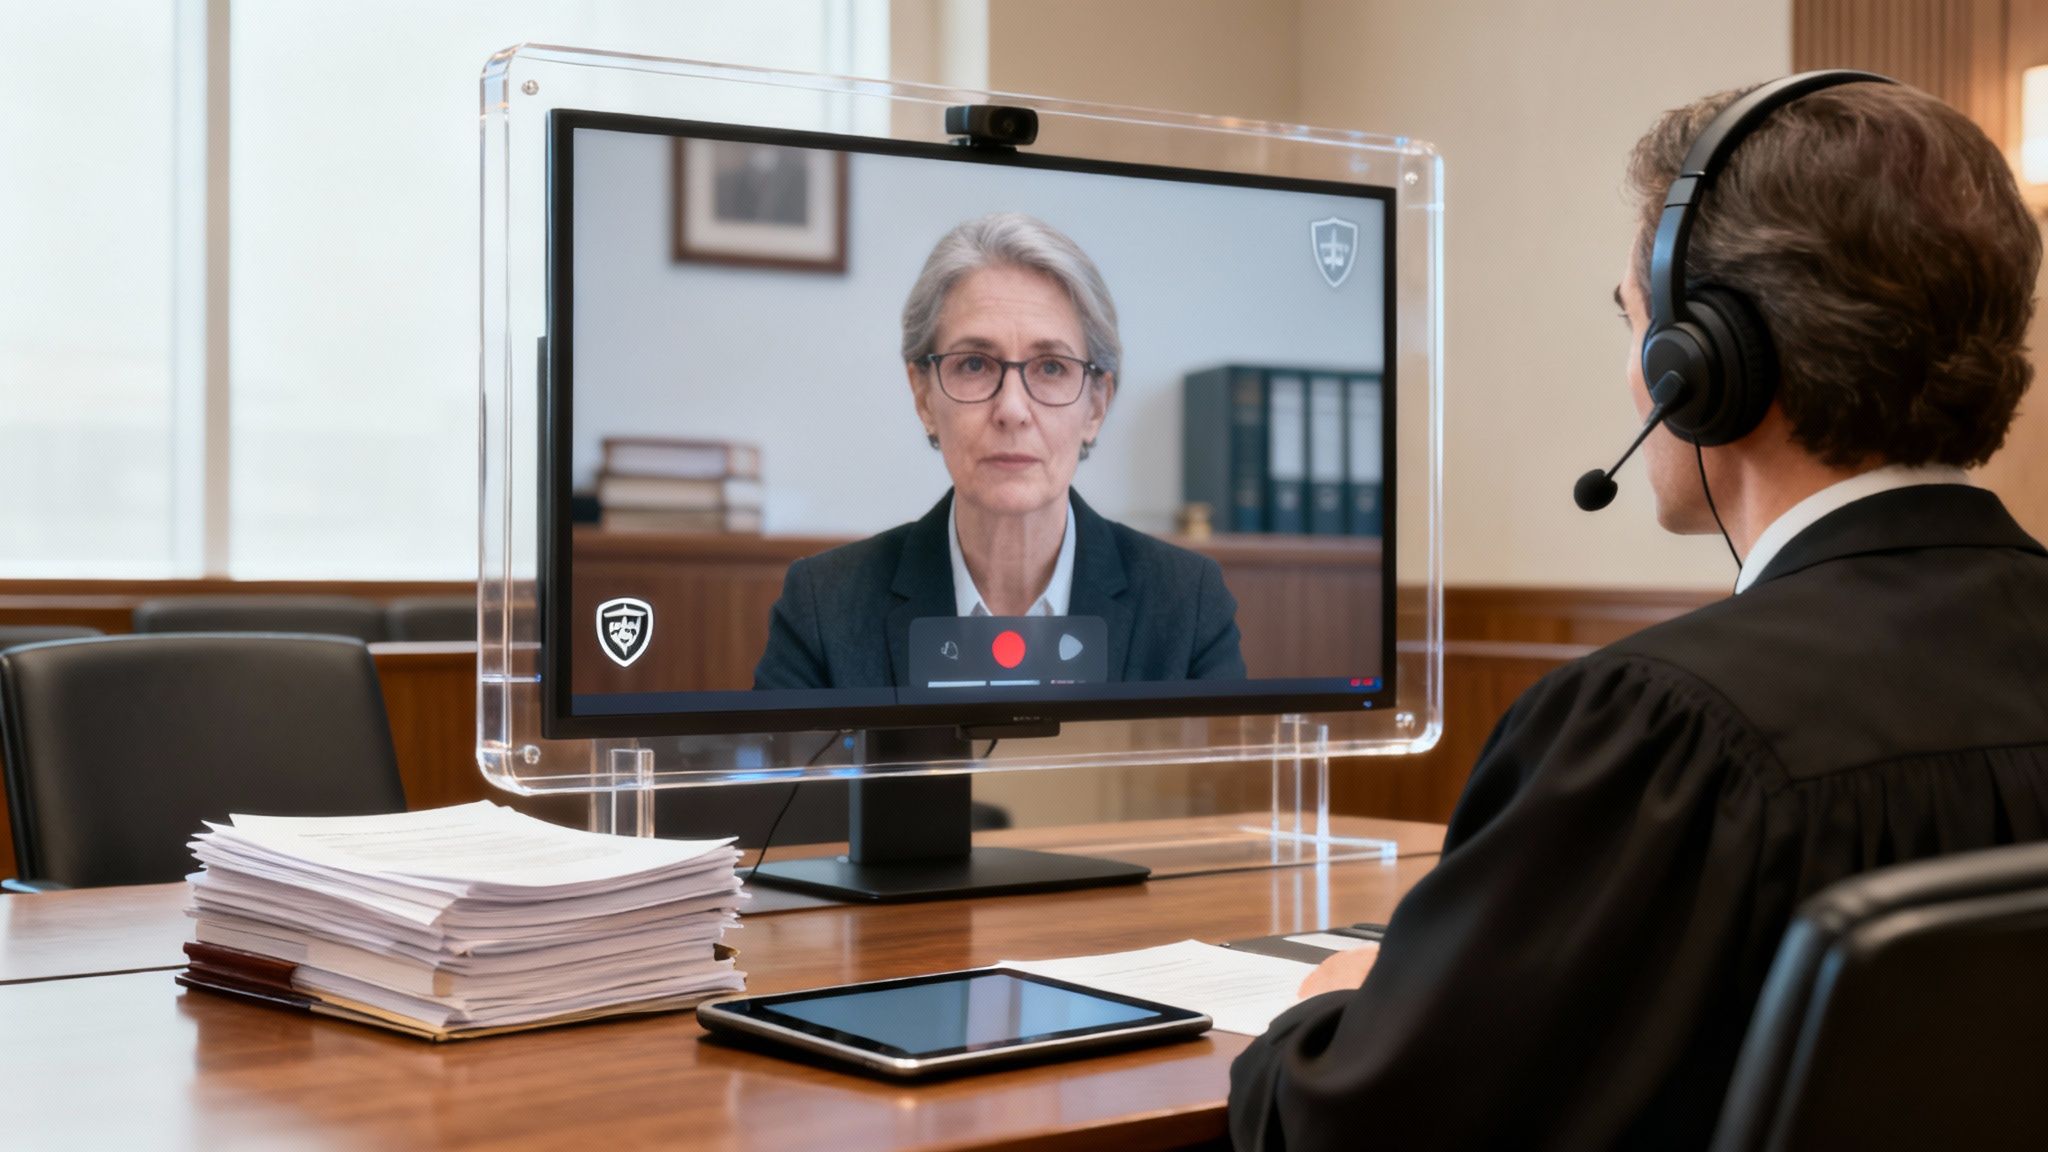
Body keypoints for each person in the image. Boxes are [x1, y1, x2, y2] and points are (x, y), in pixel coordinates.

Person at [1230, 77, 2048, 1149]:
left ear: (1700, 366)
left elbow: (1365, 1131)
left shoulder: (1661, 729)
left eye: (1634, 325)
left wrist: (1324, 1015)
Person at [753, 212, 1246, 689]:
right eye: (974, 364)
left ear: (1096, 407)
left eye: (1051, 367)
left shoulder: (1188, 604)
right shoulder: (823, 606)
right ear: (924, 396)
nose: (1012, 409)